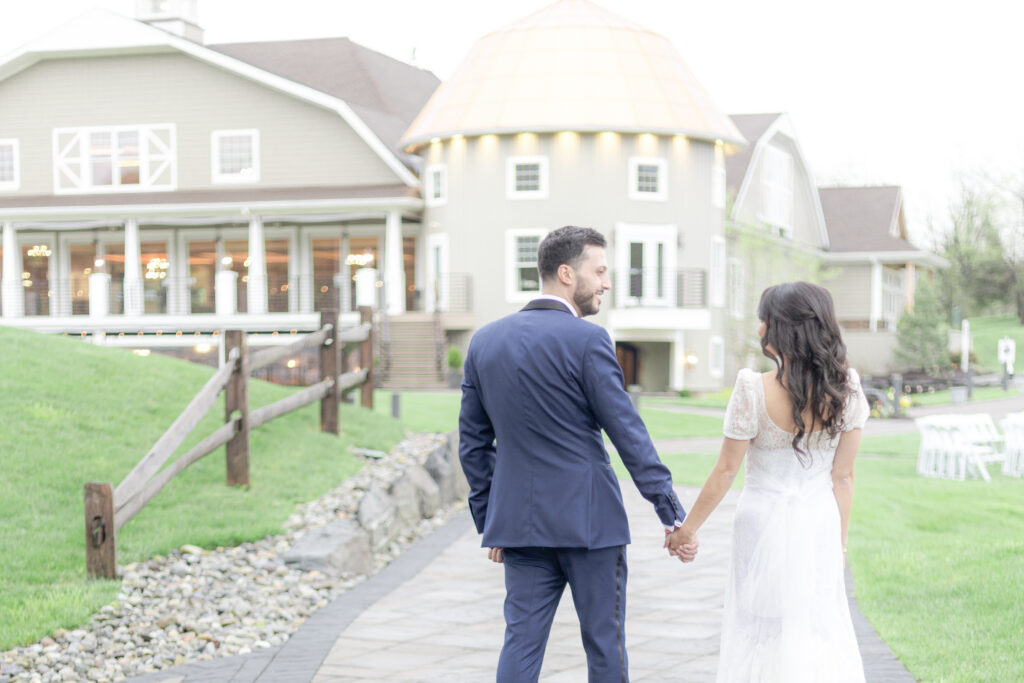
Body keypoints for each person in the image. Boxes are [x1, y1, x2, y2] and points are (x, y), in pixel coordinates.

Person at [458, 225, 691, 682]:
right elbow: (627, 431)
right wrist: (670, 512)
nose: (606, 282)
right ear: (566, 273)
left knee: (520, 644)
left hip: (519, 529)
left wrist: (491, 521)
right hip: (591, 526)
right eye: (600, 271)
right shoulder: (589, 340)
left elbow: (472, 444)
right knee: (605, 646)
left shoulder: (484, 342)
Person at [666, 281, 869, 682]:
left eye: (764, 320)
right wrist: (839, 545)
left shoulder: (751, 389)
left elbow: (726, 471)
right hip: (819, 524)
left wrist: (685, 530)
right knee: (814, 628)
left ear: (783, 328)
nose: (759, 329)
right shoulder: (847, 389)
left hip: (760, 523)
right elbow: (842, 477)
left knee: (757, 628)